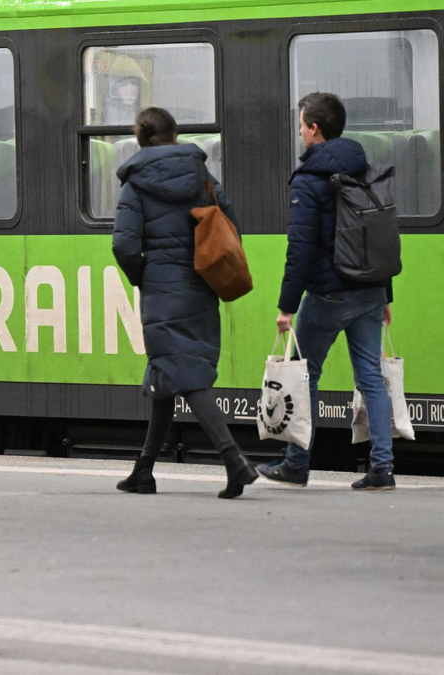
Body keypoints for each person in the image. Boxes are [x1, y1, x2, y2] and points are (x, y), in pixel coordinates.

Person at [112, 107, 259, 499]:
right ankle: (143, 471)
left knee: (185, 375)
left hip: (162, 288)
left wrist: (142, 275)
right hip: (201, 283)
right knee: (167, 372)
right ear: (174, 134)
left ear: (141, 139)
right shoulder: (200, 173)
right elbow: (228, 221)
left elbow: (124, 245)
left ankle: (234, 461)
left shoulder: (135, 184)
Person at [257, 92, 397, 490]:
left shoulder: (309, 179)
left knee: (304, 375)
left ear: (314, 129)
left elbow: (299, 248)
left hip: (329, 295)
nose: (300, 131)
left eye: (302, 125)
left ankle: (296, 464)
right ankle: (382, 469)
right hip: (369, 290)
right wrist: (385, 293)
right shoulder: (363, 167)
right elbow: (378, 234)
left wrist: (286, 307)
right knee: (371, 377)